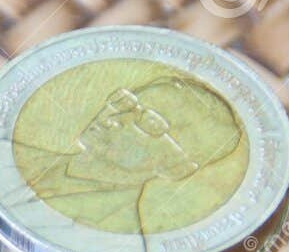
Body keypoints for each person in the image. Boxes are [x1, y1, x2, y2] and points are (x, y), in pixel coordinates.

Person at [14, 75, 243, 234]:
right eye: (126, 102)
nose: (114, 117)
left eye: (150, 122)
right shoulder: (4, 153)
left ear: (176, 168)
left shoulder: (109, 242)